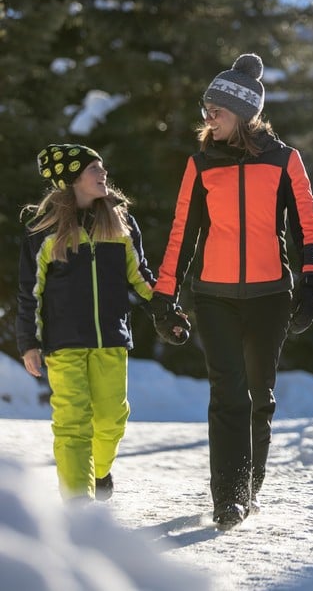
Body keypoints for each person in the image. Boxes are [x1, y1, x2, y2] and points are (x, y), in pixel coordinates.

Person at [153, 53, 313, 529]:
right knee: (227, 393)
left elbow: (307, 227)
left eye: (217, 110)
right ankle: (228, 495)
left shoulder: (285, 160)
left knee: (259, 396)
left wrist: (312, 282)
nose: (207, 117)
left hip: (271, 296)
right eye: (206, 108)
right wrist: (163, 297)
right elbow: (181, 234)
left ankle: (251, 484)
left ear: (244, 112)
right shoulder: (201, 164)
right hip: (214, 296)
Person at [16, 144, 190, 503]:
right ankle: (79, 509)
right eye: (95, 169)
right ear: (74, 179)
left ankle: (99, 471)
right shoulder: (44, 231)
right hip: (63, 343)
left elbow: (140, 276)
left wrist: (165, 311)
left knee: (112, 419)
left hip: (111, 338)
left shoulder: (119, 222)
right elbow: (30, 292)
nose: (103, 174)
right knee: (72, 426)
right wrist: (29, 343)